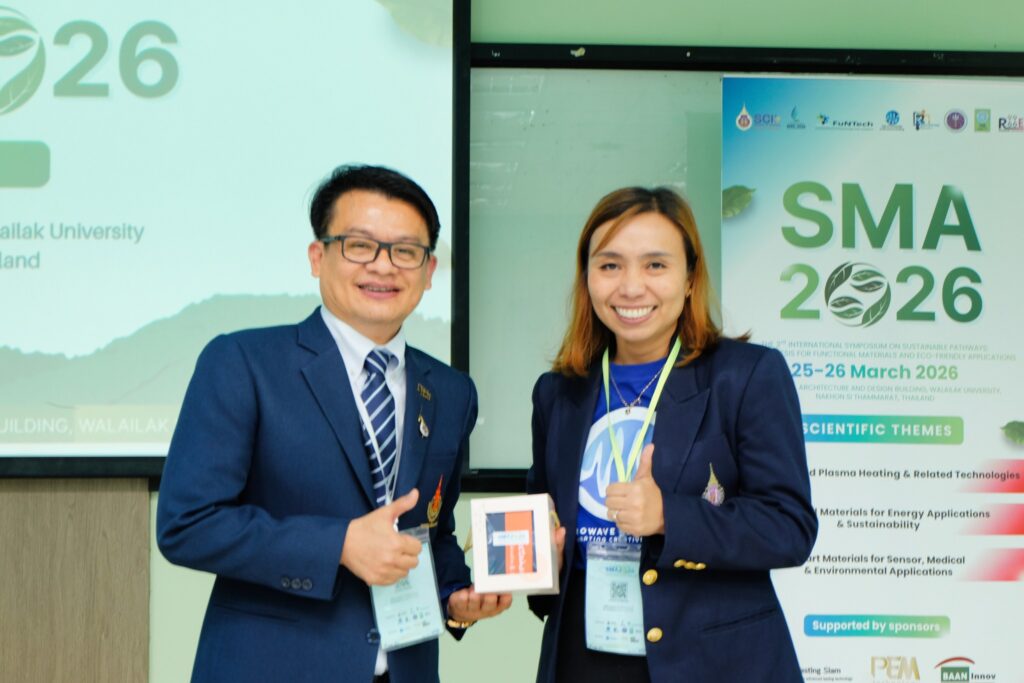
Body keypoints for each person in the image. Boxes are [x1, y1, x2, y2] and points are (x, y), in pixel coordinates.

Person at [157, 164, 511, 683]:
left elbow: (431, 530)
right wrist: (339, 544)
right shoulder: (244, 362)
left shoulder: (452, 391)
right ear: (317, 257)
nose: (383, 266)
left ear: (429, 270)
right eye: (360, 246)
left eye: (405, 251)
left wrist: (455, 596)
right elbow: (187, 524)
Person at [527, 186, 817, 682]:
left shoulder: (746, 376)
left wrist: (669, 516)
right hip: (583, 660)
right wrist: (539, 562)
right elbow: (548, 535)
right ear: (587, 278)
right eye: (610, 265)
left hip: (714, 665)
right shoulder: (559, 393)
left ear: (689, 279)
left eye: (655, 265)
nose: (630, 287)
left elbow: (789, 528)